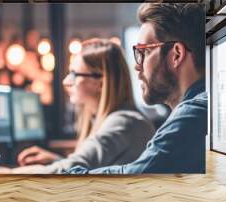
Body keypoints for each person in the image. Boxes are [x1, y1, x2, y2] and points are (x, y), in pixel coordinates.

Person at [68, 3, 207, 174]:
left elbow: (137, 176)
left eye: (144, 52)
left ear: (176, 54)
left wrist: (70, 174)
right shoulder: (201, 107)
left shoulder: (193, 114)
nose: (137, 66)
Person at [0, 38, 155, 174]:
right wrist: (57, 160)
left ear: (101, 82)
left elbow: (69, 171)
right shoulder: (116, 120)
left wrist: (5, 173)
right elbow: (93, 169)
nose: (66, 81)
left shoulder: (123, 122)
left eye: (75, 74)